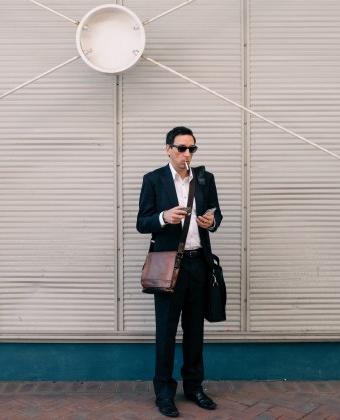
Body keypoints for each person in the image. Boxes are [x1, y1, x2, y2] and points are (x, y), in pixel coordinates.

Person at [136, 126, 223, 417]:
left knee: (195, 332)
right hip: (169, 266)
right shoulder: (154, 179)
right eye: (182, 148)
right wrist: (164, 217)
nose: (188, 154)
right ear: (168, 149)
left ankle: (194, 387)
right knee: (166, 331)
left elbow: (216, 213)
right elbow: (142, 222)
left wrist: (211, 221)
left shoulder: (204, 178)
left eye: (192, 149)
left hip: (198, 262)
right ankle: (164, 393)